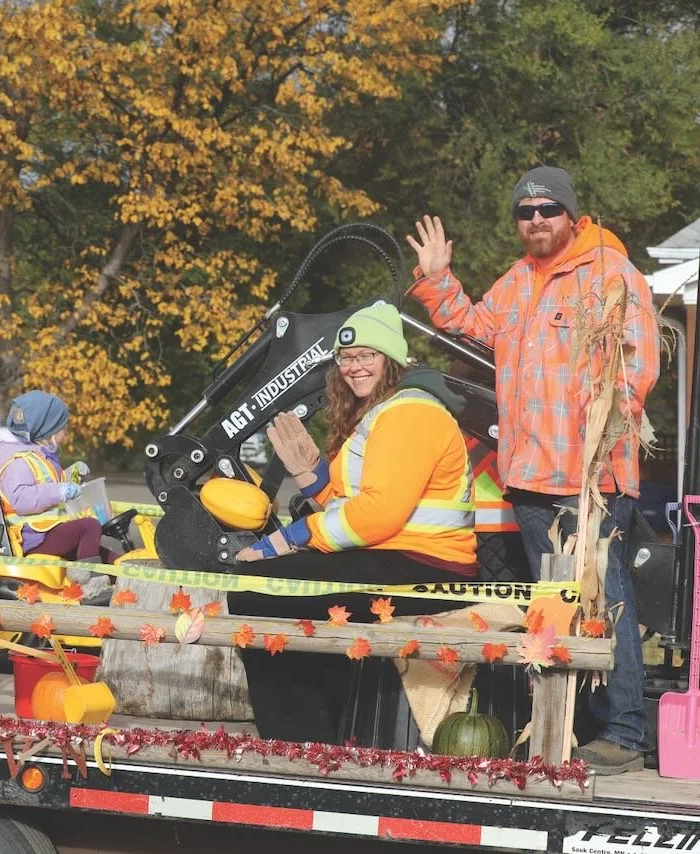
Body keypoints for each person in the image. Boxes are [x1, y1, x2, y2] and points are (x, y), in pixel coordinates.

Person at [405, 166, 660, 775]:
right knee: (552, 610)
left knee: (608, 604)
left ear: (573, 215)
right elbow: (475, 325)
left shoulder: (612, 275)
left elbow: (638, 369)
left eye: (549, 209)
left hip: (588, 484)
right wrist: (438, 280)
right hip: (527, 480)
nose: (538, 220)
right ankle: (567, 729)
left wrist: (597, 433)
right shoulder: (519, 281)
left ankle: (625, 734)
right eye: (526, 212)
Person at [230, 303, 476, 743]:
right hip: (397, 556)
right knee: (285, 590)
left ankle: (299, 740)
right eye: (345, 357)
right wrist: (312, 479)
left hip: (424, 566)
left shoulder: (410, 413)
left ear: (392, 359)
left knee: (261, 587)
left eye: (366, 355)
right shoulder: (386, 412)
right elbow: (352, 505)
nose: (353, 367)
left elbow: (378, 515)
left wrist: (289, 538)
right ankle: (330, 730)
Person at [0, 390, 114, 605]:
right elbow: (21, 498)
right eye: (62, 429)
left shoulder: (34, 454)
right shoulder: (18, 461)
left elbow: (48, 482)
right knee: (89, 527)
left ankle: (119, 584)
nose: (65, 434)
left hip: (47, 530)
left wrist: (71, 474)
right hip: (33, 536)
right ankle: (88, 591)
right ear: (46, 431)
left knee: (110, 558)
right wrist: (60, 491)